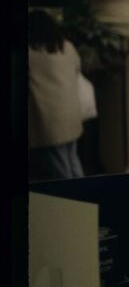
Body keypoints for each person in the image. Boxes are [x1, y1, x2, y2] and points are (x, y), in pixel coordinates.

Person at [28, 9, 85, 181]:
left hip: (49, 119)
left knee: (61, 171)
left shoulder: (29, 52)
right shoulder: (67, 47)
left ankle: (75, 205)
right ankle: (86, 200)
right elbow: (77, 69)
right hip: (71, 114)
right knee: (73, 162)